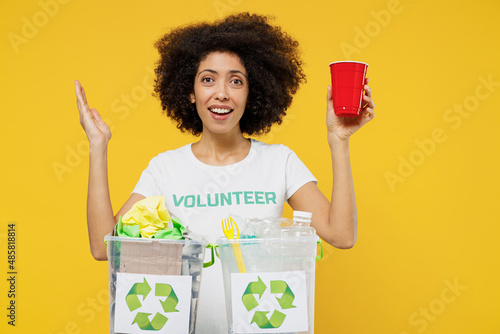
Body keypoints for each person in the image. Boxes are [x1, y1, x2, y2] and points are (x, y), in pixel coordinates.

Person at [75, 12, 374, 333]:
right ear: (189, 92)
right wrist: (98, 146)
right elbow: (103, 247)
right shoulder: (165, 168)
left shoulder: (279, 161)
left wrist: (338, 141)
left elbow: (341, 235)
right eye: (207, 79)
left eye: (236, 80)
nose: (221, 93)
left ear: (251, 92)